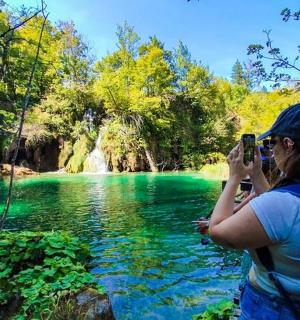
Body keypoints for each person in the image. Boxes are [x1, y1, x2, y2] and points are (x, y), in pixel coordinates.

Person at [209, 103, 300, 320]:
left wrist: (234, 178)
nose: (270, 149)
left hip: (273, 308)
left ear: (288, 144)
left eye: (272, 142)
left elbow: (217, 231)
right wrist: (257, 175)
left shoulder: (282, 205)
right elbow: (275, 216)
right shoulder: (285, 202)